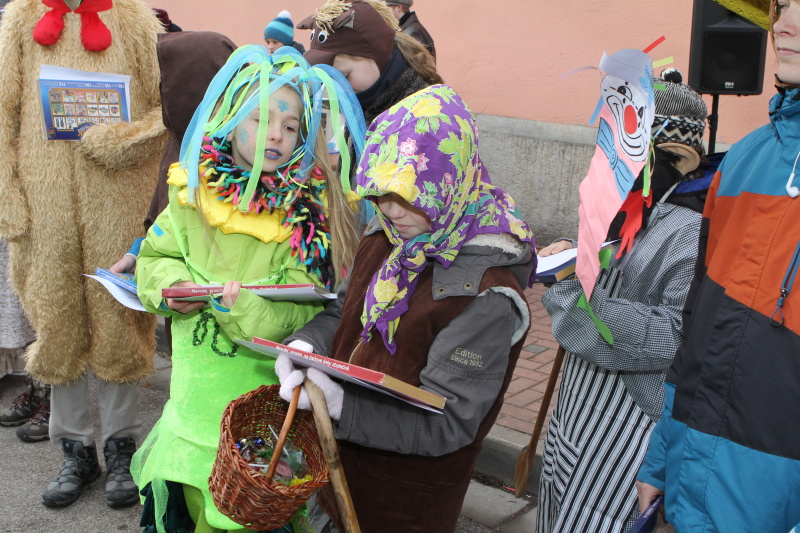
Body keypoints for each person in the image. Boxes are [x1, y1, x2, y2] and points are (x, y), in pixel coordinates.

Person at [279, 84, 535, 533]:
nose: (390, 210)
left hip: (401, 507)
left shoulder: (487, 292)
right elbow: (343, 315)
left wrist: (341, 405)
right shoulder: (386, 237)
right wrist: (305, 346)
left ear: (447, 180)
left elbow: (448, 420)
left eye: (407, 195)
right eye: (380, 193)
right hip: (335, 480)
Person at [131, 45, 365, 533]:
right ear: (231, 119)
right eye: (262, 119)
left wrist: (243, 309)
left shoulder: (306, 216)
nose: (276, 134)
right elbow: (155, 257)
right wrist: (169, 286)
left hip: (257, 424)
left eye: (291, 126)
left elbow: (303, 315)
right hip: (189, 413)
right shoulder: (192, 191)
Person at [636, 2, 800, 530]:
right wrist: (663, 457)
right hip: (697, 490)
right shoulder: (747, 159)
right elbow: (697, 330)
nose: (783, 23)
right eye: (783, 4)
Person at [0, 0, 167, 509]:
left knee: (120, 322)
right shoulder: (20, 20)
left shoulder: (135, 20)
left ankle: (120, 446)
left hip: (118, 202)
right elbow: (3, 113)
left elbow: (167, 108)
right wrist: (9, 201)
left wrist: (121, 139)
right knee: (57, 326)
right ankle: (74, 450)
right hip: (44, 206)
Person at [535, 69, 709, 533]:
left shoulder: (692, 230)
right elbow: (608, 269)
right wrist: (571, 255)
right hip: (580, 405)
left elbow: (672, 337)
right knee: (558, 508)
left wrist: (573, 289)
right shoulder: (626, 204)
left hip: (626, 428)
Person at [298, 0, 441, 126]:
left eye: (345, 76)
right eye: (329, 80)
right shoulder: (365, 107)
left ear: (378, 55)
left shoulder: (420, 119)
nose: (337, 89)